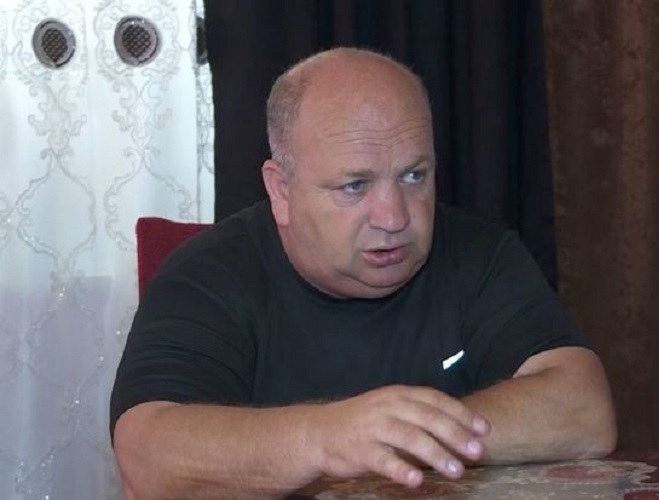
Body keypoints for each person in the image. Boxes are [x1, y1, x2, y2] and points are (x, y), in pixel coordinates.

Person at [110, 47, 616, 499]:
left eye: (414, 176)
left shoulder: (478, 254)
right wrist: (329, 439)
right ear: (281, 190)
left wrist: (397, 440)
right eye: (355, 186)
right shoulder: (206, 275)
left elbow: (584, 410)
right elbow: (146, 458)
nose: (394, 218)